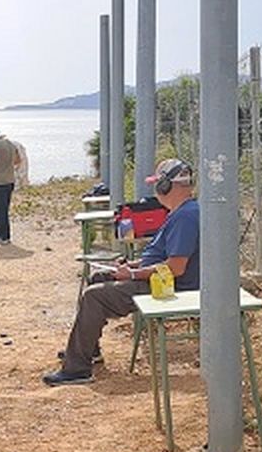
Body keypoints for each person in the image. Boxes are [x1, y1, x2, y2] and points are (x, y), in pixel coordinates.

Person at [44, 159, 200, 386]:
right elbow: (163, 258)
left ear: (166, 186)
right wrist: (134, 266)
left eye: (158, 184)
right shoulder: (182, 212)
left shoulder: (185, 216)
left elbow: (176, 267)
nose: (155, 189)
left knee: (93, 296)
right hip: (161, 281)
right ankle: (88, 349)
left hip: (168, 287)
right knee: (98, 278)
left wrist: (134, 275)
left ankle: (78, 369)